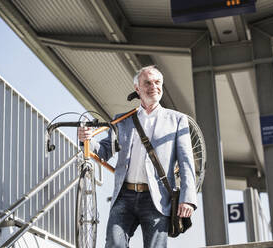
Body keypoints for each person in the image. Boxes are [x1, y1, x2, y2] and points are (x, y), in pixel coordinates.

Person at [78, 65, 197, 248]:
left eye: (157, 82)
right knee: (113, 243)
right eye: (147, 83)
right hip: (125, 195)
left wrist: (187, 198)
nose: (153, 87)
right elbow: (103, 151)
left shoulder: (177, 120)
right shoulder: (122, 120)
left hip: (157, 197)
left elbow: (186, 162)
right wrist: (86, 140)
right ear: (137, 88)